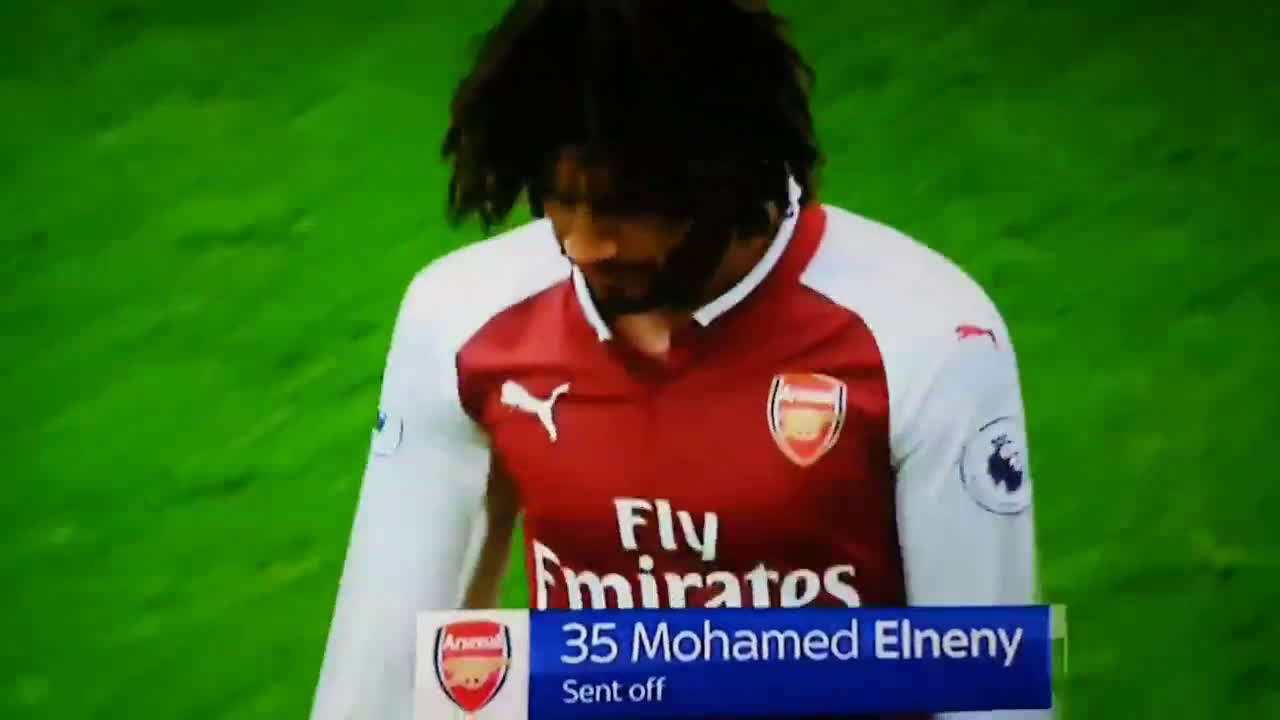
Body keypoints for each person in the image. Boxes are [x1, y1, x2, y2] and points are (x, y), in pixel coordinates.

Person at [309, 0, 1046, 718]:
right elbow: (383, 667)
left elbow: (983, 680)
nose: (583, 244)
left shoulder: (926, 335)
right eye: (558, 200)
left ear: (725, 170)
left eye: (626, 206)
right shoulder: (463, 320)